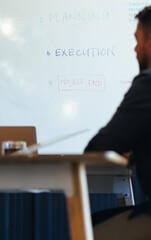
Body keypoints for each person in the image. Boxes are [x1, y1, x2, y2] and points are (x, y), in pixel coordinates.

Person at [85, 6, 151, 239]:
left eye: (137, 40)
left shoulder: (147, 84)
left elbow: (98, 148)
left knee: (90, 226)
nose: (135, 48)